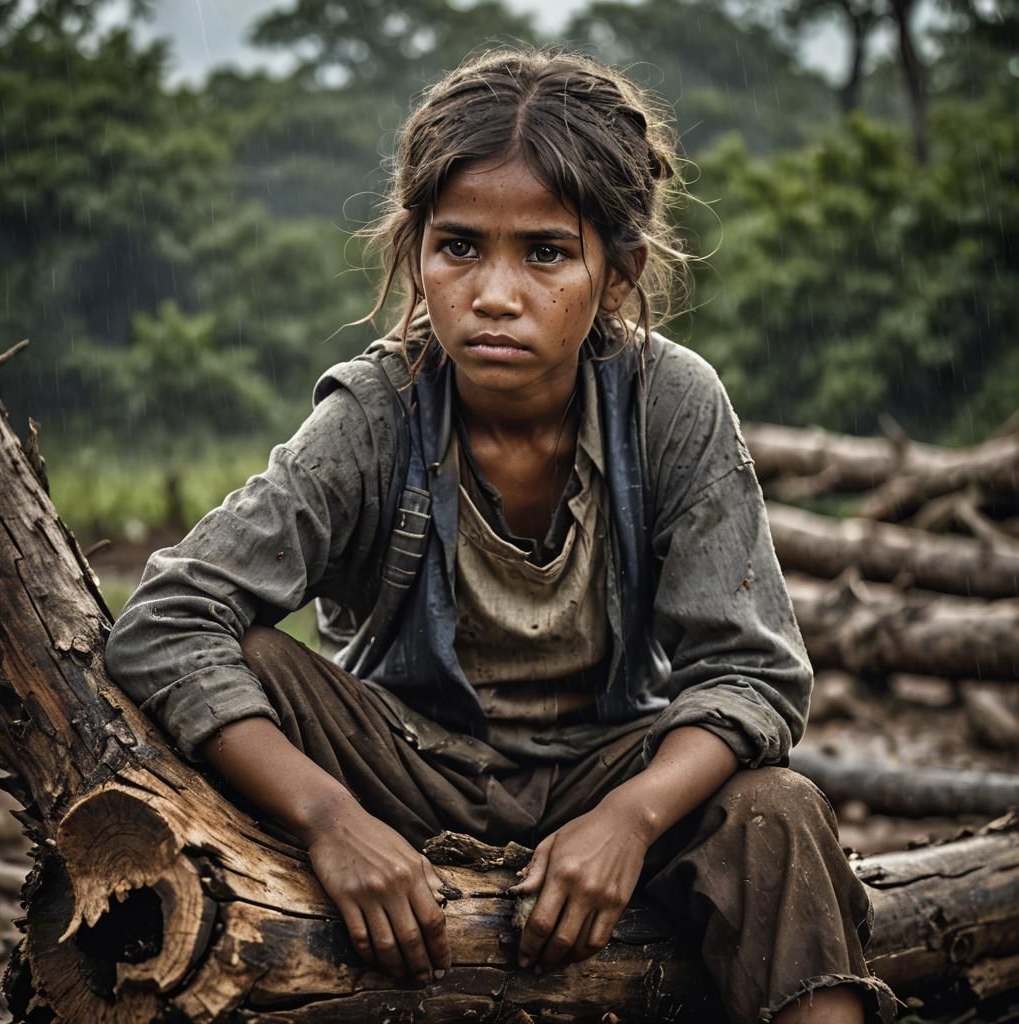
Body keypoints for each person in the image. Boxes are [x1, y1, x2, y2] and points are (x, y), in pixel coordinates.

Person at [105, 48, 897, 1024]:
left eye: (545, 254)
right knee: (253, 659)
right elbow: (167, 619)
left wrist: (630, 817)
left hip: (606, 760)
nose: (493, 292)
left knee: (777, 811)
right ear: (416, 252)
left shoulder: (669, 404)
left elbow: (752, 676)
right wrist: (331, 817)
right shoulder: (376, 413)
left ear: (618, 275)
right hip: (397, 760)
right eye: (460, 246)